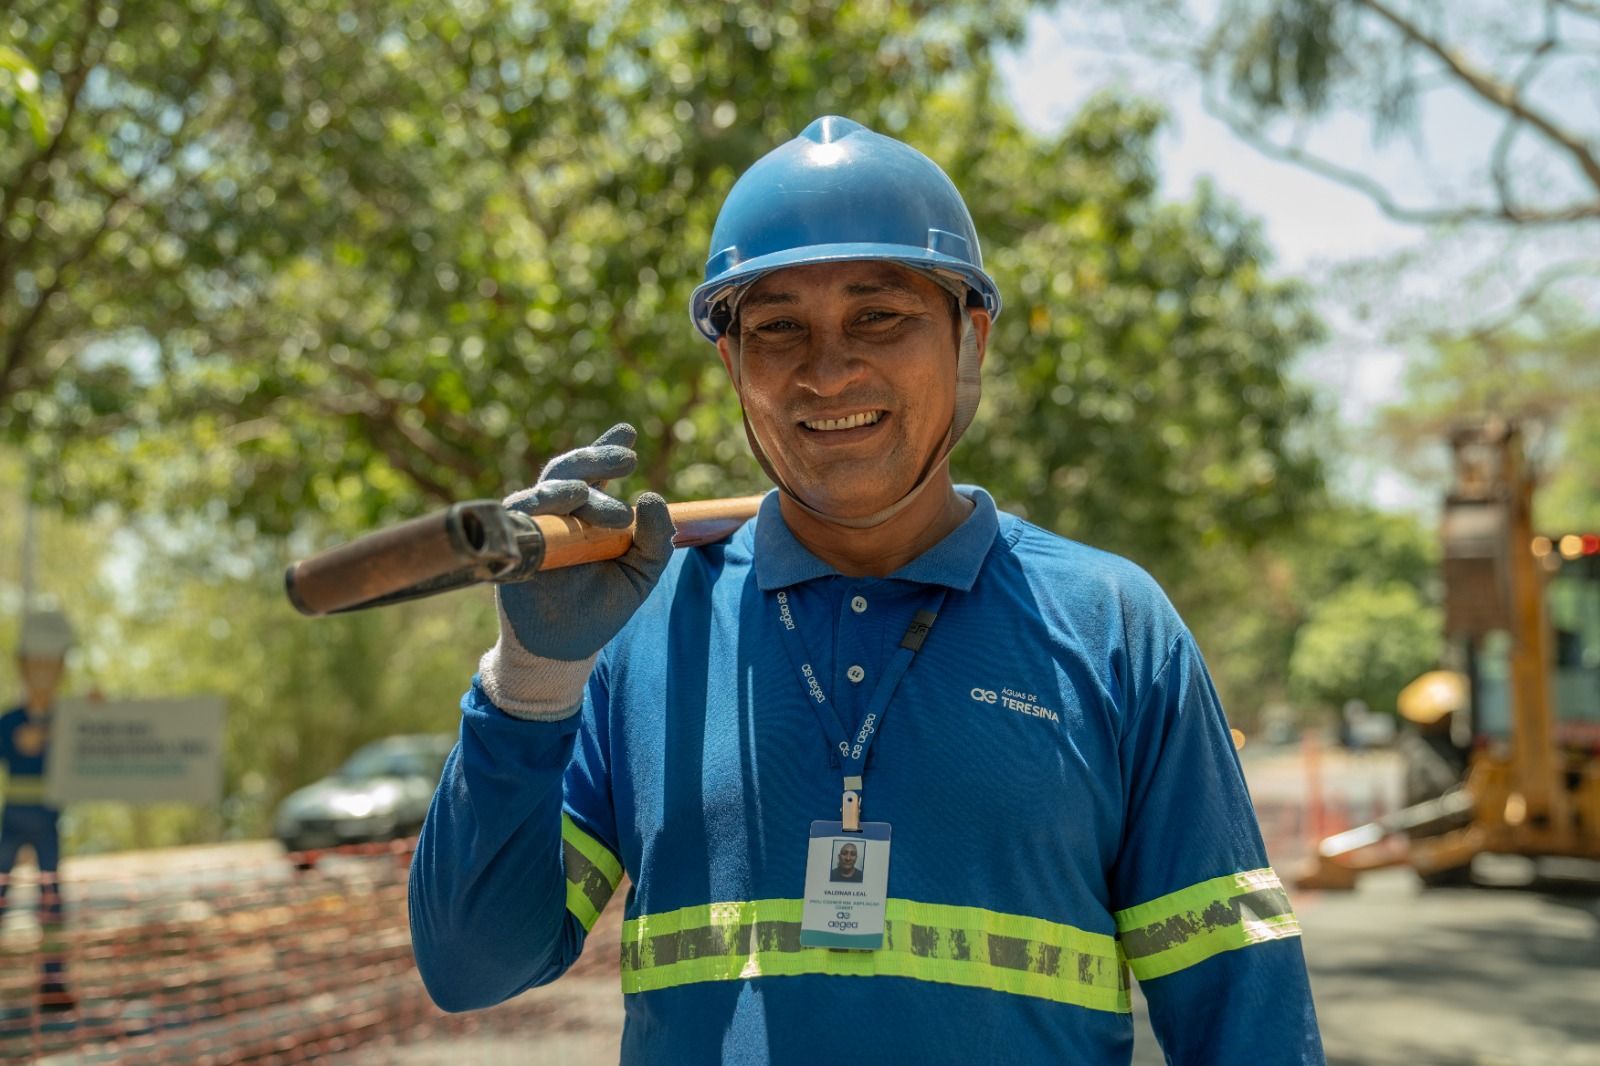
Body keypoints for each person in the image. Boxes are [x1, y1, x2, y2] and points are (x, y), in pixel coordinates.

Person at [410, 116, 1323, 1064]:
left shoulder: (1112, 627)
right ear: (731, 362)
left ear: (970, 340)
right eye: (777, 328)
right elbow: (472, 968)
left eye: (879, 316)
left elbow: (1244, 1015)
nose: (828, 369)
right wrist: (531, 681)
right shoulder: (646, 632)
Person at [1, 609, 77, 1013]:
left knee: (51, 901)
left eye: (52, 663)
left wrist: (100, 714)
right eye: (36, 663)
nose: (43, 672)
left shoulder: (70, 721)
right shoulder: (8, 721)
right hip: (12, 820)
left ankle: (52, 979)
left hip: (48, 820)